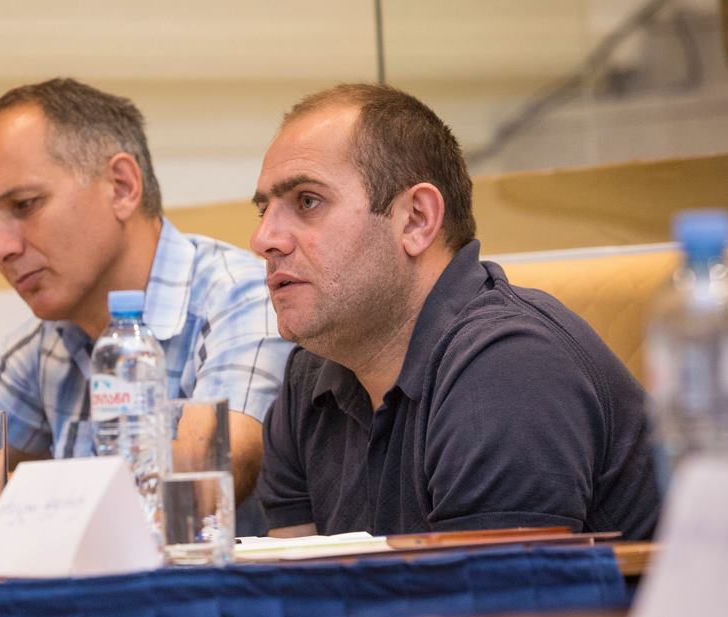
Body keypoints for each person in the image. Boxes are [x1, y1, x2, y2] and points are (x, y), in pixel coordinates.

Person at [250, 83, 660, 540]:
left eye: (308, 201)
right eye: (264, 210)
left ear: (416, 219)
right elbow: (290, 579)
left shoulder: (508, 367)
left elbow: (492, 586)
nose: (263, 239)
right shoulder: (308, 379)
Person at [0, 78, 292, 537]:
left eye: (24, 205)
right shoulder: (48, 342)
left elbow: (201, 478)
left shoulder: (241, 297)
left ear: (121, 186)